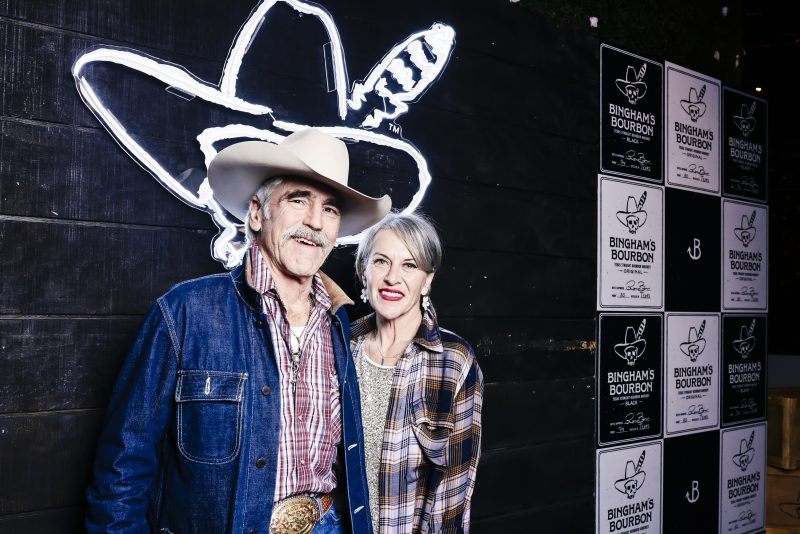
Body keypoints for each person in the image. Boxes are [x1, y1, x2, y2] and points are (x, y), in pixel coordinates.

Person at [85, 128, 391, 534]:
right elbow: (123, 466)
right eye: (298, 200)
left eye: (331, 209)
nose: (315, 222)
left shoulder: (337, 321)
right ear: (257, 212)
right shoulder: (185, 312)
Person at [350, 212, 483, 533]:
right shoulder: (341, 345)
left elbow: (455, 490)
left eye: (409, 265)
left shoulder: (453, 360)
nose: (392, 277)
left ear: (427, 280)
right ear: (364, 271)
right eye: (381, 261)